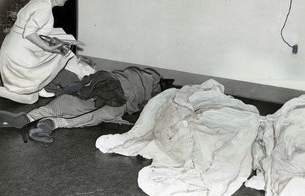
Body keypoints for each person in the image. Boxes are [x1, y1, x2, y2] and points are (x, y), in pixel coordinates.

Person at [0, 66, 175, 143]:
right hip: (117, 90)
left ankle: (38, 119)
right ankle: (44, 121)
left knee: (86, 104)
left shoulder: (137, 75)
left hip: (112, 89)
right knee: (93, 109)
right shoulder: (152, 80)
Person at [0, 0, 76, 104]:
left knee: (62, 49)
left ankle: (38, 86)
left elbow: (33, 29)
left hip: (13, 50)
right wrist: (48, 47)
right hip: (16, 59)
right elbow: (29, 33)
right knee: (29, 99)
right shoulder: (44, 9)